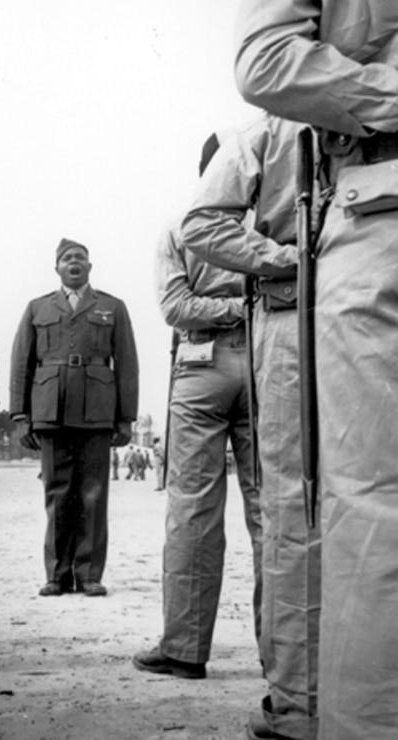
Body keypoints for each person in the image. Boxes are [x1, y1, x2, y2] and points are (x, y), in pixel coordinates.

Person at [233, 0, 398, 738]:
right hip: (285, 305)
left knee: (365, 508)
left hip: (370, 216)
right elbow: (201, 229)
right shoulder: (249, 148)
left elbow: (263, 58)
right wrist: (276, 257)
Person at [182, 114, 320, 740]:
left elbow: (203, 223)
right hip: (282, 324)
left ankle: (301, 698)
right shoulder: (267, 133)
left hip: (292, 324)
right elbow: (190, 255)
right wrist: (291, 262)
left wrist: (288, 262)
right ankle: (299, 690)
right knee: (288, 503)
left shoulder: (268, 128)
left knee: (290, 505)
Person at [133, 140, 262, 680]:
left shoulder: (179, 227)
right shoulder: (271, 224)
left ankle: (185, 648)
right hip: (263, 361)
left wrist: (224, 310)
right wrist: (247, 307)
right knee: (272, 510)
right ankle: (287, 655)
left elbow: (174, 306)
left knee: (192, 510)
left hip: (199, 366)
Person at [10, 238, 139, 597]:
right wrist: (21, 415)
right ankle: (56, 574)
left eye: (81, 258)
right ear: (57, 268)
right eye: (67, 259)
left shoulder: (112, 307)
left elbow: (127, 364)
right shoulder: (37, 308)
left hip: (98, 412)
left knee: (94, 495)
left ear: (90, 267)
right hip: (50, 411)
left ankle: (89, 575)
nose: (74, 263)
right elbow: (21, 362)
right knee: (57, 493)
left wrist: (125, 418)